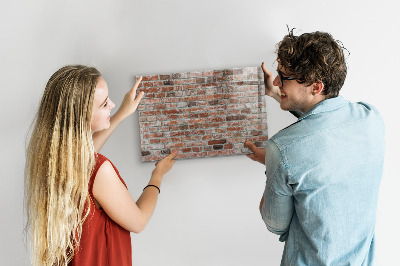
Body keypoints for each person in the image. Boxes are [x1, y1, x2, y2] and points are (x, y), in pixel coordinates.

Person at [245, 31, 385, 265]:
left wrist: (274, 163)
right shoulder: (371, 118)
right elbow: (325, 124)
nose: (277, 81)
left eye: (283, 77)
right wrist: (276, 93)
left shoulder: (282, 149)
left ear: (316, 86)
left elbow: (275, 224)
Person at [24, 65, 178, 266]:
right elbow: (138, 221)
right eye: (105, 104)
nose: (112, 104)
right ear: (82, 117)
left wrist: (122, 113)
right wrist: (157, 176)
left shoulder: (53, 160)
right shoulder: (100, 170)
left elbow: (86, 157)